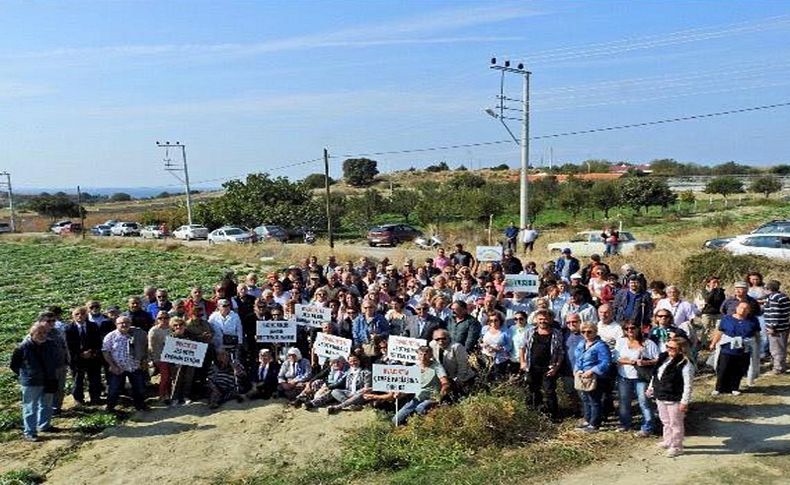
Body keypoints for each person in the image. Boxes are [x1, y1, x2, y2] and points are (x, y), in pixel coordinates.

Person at [10, 323, 61, 442]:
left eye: (44, 333)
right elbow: (14, 366)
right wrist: (27, 375)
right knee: (30, 408)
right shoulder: (22, 347)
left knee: (46, 405)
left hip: (49, 380)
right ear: (32, 334)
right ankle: (30, 432)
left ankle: (44, 426)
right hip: (31, 383)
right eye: (39, 333)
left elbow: (55, 360)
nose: (42, 335)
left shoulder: (50, 345)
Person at [647, 336, 694, 458]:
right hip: (661, 395)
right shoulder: (663, 358)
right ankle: (668, 440)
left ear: (681, 349)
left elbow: (688, 384)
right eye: (667, 346)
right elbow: (655, 374)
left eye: (672, 348)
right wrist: (651, 387)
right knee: (665, 421)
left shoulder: (685, 363)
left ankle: (677, 446)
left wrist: (685, 401)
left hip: (675, 398)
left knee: (676, 423)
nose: (668, 349)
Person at [614, 322, 659, 436]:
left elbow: (658, 359)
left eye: (633, 328)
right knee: (624, 401)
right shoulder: (621, 342)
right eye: (627, 328)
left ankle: (648, 427)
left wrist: (645, 362)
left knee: (644, 402)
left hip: (641, 377)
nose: (630, 330)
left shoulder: (648, 343)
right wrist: (630, 361)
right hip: (624, 376)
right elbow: (615, 358)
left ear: (639, 329)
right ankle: (625, 424)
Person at [520, 310, 564, 421]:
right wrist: (522, 362)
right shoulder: (530, 332)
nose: (542, 321)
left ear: (550, 319)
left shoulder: (556, 333)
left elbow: (560, 352)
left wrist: (556, 367)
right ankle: (534, 414)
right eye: (540, 319)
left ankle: (553, 416)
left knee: (549, 391)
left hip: (549, 368)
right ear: (536, 320)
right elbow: (522, 348)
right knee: (532, 390)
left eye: (545, 319)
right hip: (532, 366)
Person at [709, 302, 760, 396]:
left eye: (746, 308)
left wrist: (757, 346)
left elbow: (756, 334)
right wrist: (713, 343)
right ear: (736, 308)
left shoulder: (753, 320)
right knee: (723, 368)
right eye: (741, 307)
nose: (743, 310)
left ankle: (734, 387)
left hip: (744, 349)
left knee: (738, 369)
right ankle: (719, 388)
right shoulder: (727, 319)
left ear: (749, 310)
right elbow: (720, 332)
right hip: (727, 348)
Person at [102, 316, 150, 412]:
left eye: (127, 322)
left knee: (139, 388)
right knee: (114, 389)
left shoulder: (138, 333)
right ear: (116, 324)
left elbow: (146, 347)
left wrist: (144, 360)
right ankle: (110, 407)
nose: (124, 324)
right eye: (121, 323)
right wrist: (112, 366)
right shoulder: (110, 336)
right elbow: (105, 352)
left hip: (134, 366)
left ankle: (140, 406)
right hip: (118, 367)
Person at [393, 346, 449, 425]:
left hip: (432, 398)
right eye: (420, 354)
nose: (423, 357)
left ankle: (418, 426)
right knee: (396, 420)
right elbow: (409, 388)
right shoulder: (414, 368)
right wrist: (400, 394)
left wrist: (439, 397)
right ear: (417, 355)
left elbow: (445, 383)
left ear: (431, 355)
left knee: (420, 409)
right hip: (418, 398)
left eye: (425, 354)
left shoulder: (436, 366)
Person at [573, 322, 612, 433]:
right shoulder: (581, 343)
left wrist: (592, 371)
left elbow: (606, 362)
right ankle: (587, 419)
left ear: (595, 331)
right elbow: (578, 358)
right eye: (583, 332)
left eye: (589, 331)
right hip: (582, 377)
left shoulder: (601, 345)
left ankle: (594, 424)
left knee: (594, 400)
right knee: (585, 399)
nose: (586, 334)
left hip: (595, 377)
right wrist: (576, 369)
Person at [430, 328, 475, 398]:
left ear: (449, 337)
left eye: (443, 338)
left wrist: (459, 381)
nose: (440, 341)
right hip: (447, 378)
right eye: (437, 339)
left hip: (463, 378)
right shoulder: (432, 344)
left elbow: (463, 365)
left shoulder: (457, 347)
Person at [762, 280, 790, 374]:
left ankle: (778, 368)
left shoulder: (773, 298)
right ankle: (780, 365)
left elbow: (775, 313)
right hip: (784, 326)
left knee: (776, 349)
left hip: (777, 328)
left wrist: (772, 327)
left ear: (768, 289)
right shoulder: (782, 296)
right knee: (781, 347)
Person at [148, 311, 173, 403]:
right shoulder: (153, 331)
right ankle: (161, 394)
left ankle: (170, 394)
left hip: (172, 356)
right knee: (165, 376)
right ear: (157, 319)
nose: (163, 320)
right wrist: (152, 360)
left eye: (165, 318)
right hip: (159, 357)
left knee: (170, 376)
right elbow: (150, 347)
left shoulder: (172, 328)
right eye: (160, 318)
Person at [479, 312, 512, 381]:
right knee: (487, 377)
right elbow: (480, 340)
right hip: (486, 357)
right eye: (491, 320)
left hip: (500, 359)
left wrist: (500, 349)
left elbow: (509, 346)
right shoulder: (485, 329)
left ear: (500, 321)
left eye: (496, 320)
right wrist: (482, 344)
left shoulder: (505, 331)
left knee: (498, 379)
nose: (493, 322)